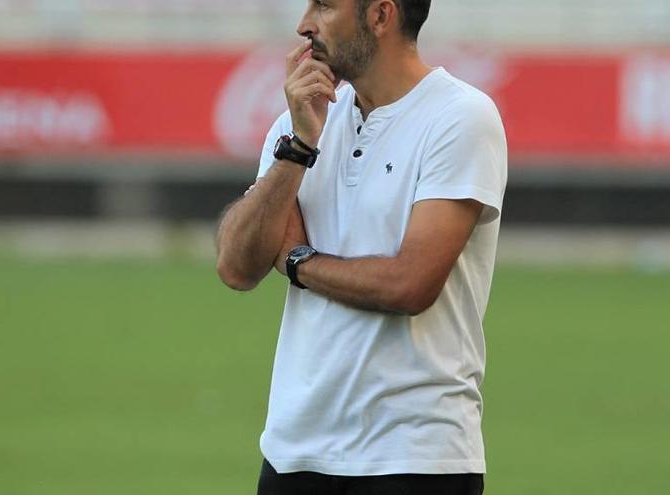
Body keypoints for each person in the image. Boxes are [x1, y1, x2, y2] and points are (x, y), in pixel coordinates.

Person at [215, 0, 507, 493]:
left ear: (380, 15)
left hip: (415, 458)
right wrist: (299, 145)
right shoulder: (301, 121)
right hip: (295, 454)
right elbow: (236, 267)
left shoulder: (460, 117)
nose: (304, 25)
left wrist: (298, 261)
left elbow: (409, 285)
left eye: (324, 6)